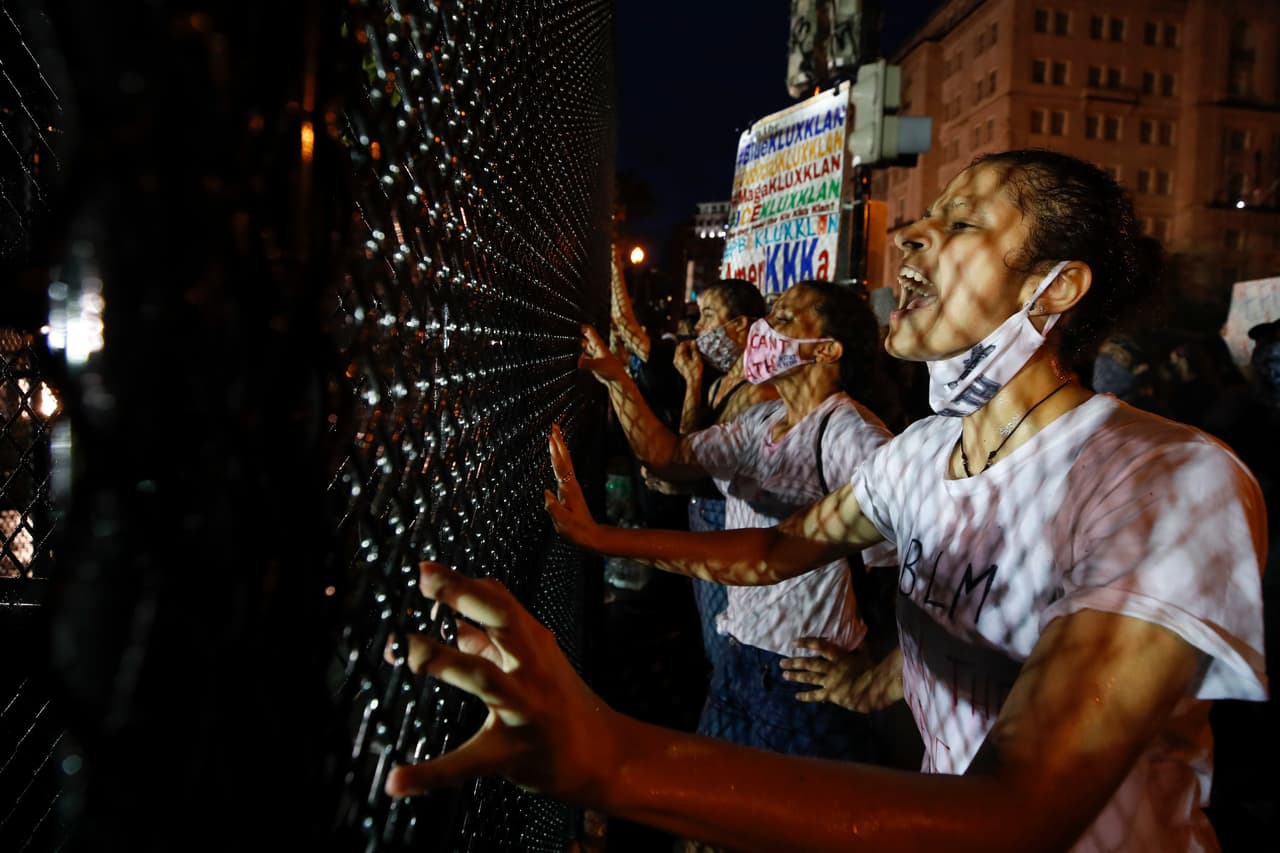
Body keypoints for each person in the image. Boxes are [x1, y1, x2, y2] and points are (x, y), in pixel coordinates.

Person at [382, 150, 1268, 851]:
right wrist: (596, 535)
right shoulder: (921, 457)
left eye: (960, 220)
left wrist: (607, 757)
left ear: (1057, 286)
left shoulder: (1164, 478)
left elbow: (1016, 814)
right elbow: (773, 554)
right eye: (927, 213)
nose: (914, 232)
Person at [576, 278, 897, 767]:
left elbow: (908, 566)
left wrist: (874, 669)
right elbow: (667, 456)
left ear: (828, 349)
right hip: (737, 654)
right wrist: (616, 379)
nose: (767, 328)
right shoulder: (761, 421)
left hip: (802, 673)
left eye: (785, 319)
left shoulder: (851, 436)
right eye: (771, 315)